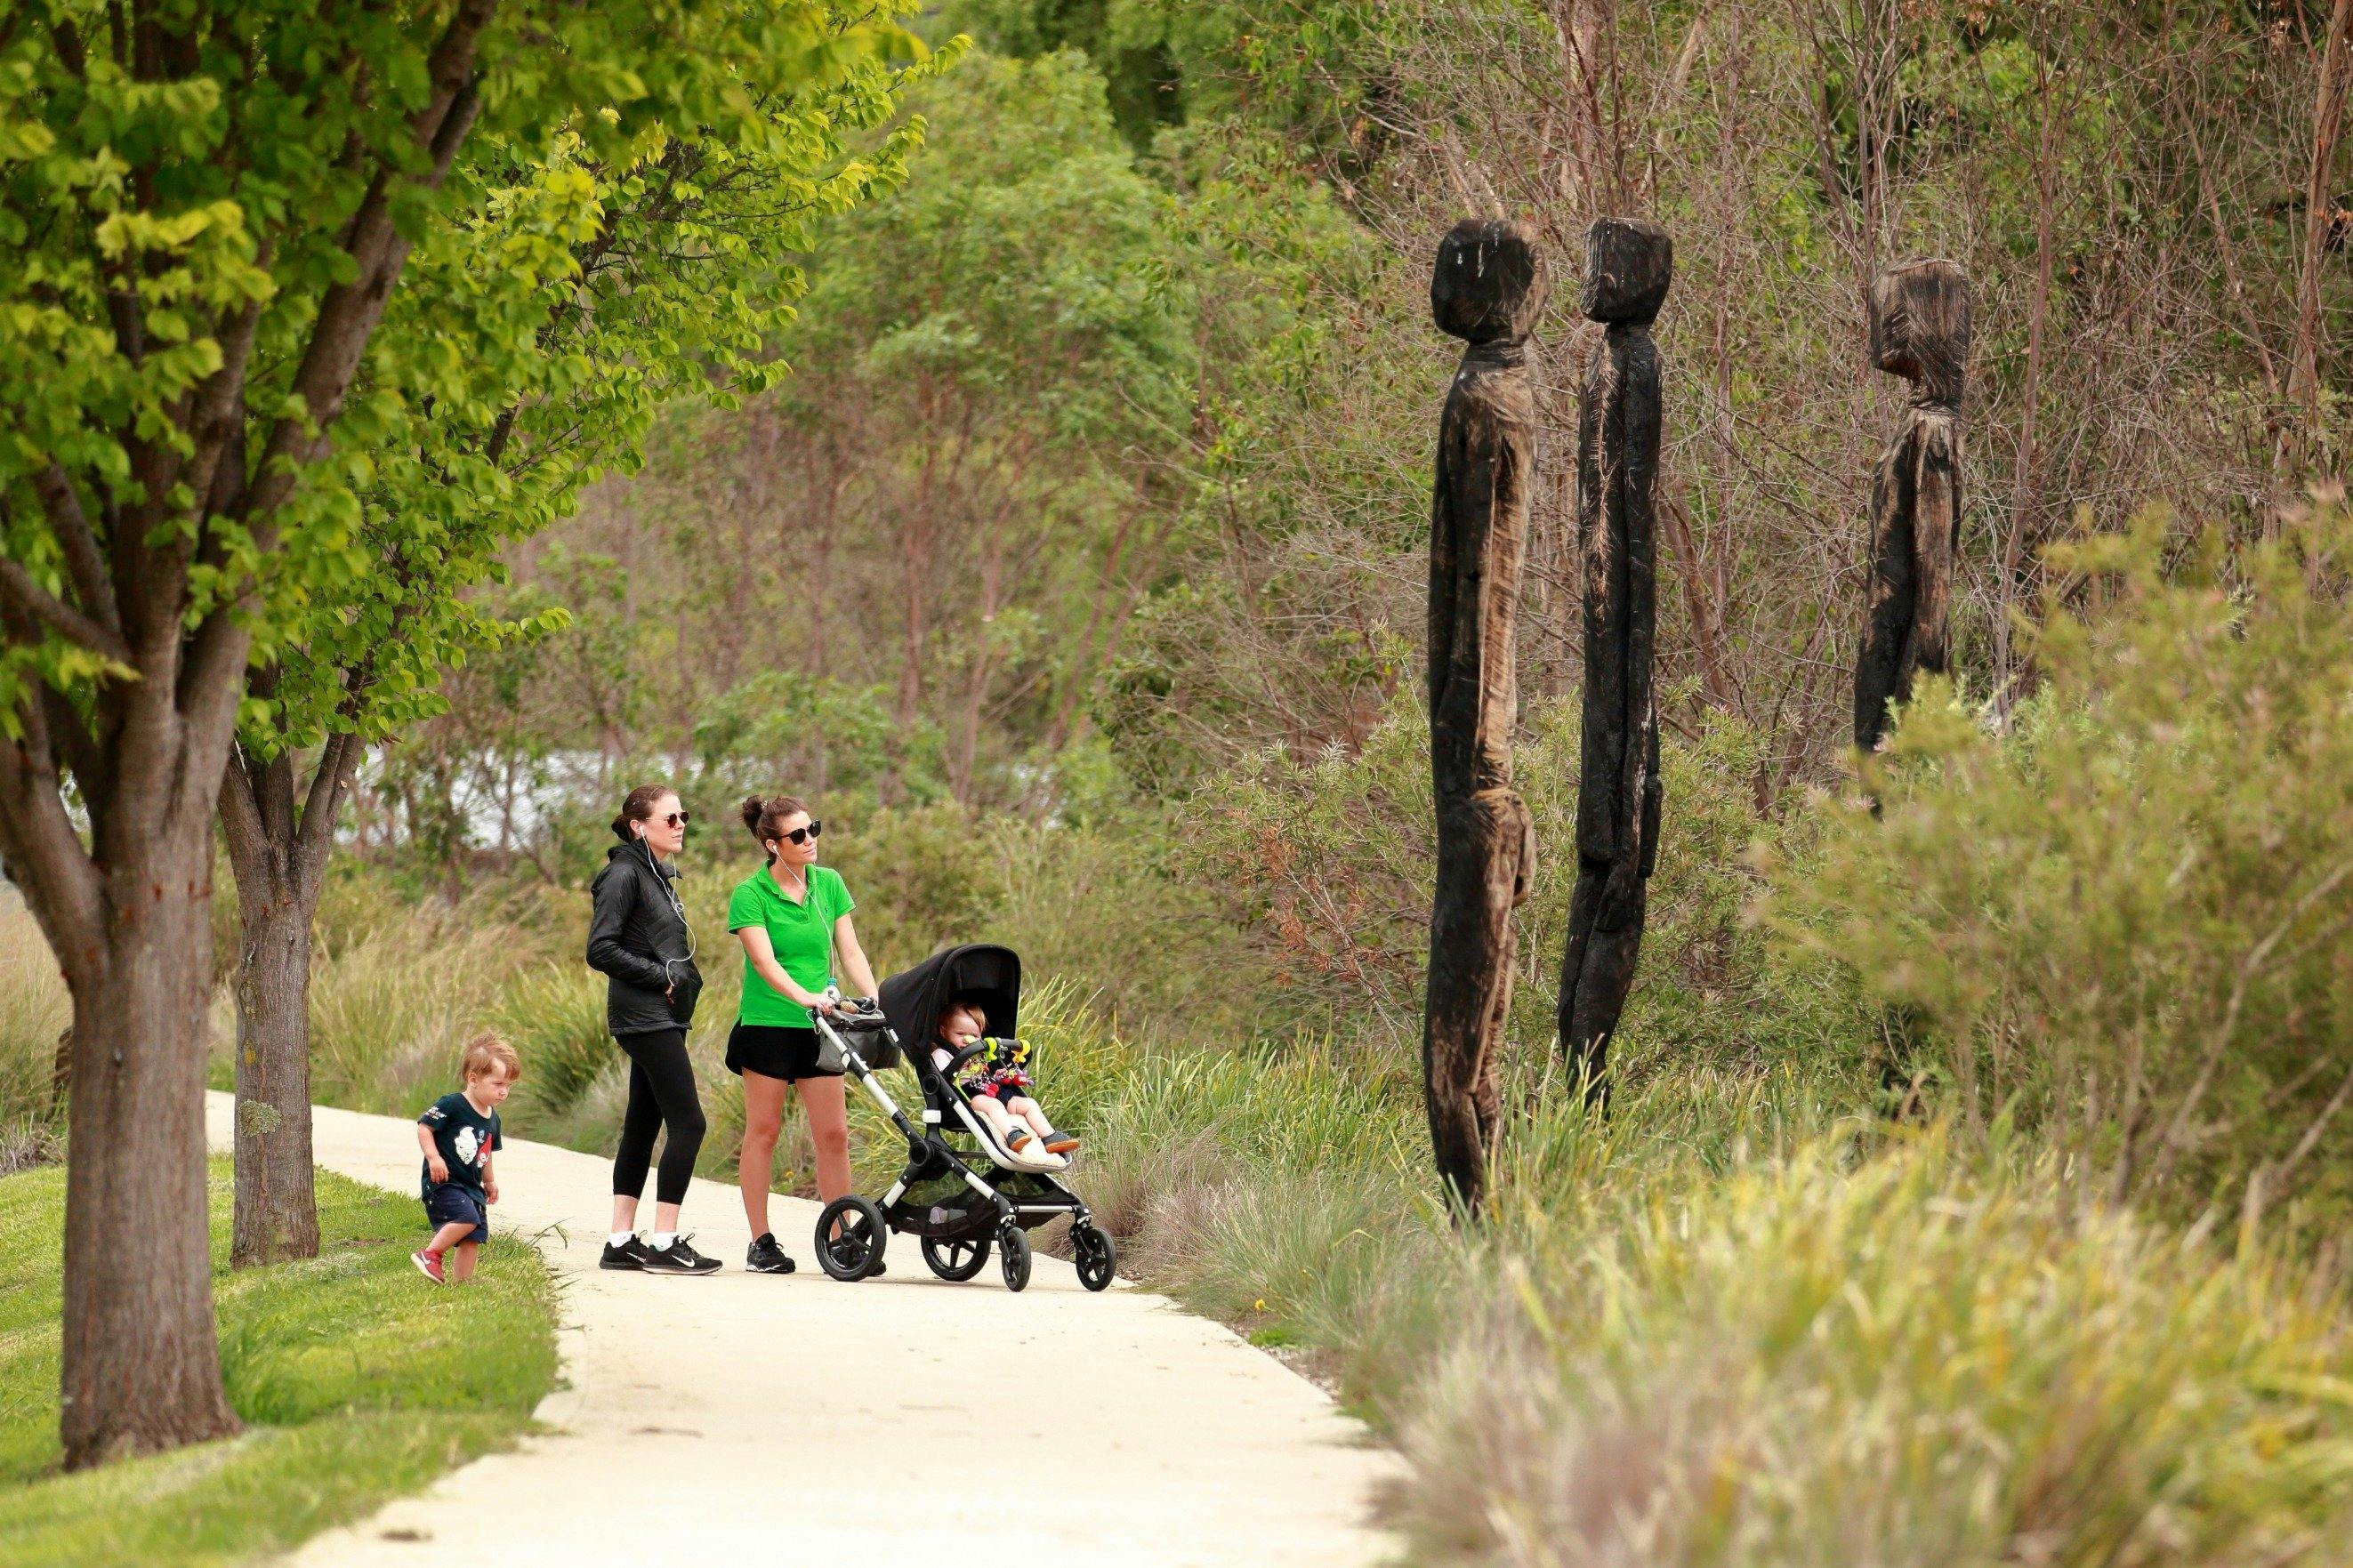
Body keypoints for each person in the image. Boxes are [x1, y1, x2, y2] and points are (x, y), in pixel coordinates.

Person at [727, 794, 882, 1275]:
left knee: (833, 1135)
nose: (810, 840)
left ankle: (843, 1238)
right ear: (773, 845)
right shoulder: (750, 893)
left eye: (812, 828)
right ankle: (761, 1242)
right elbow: (764, 962)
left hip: (824, 1030)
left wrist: (876, 1001)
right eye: (798, 835)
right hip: (769, 1024)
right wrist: (805, 996)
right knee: (764, 1132)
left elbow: (850, 951)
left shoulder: (829, 883)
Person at [586, 783, 720, 1275]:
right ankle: (664, 1243)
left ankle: (620, 1241)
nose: (681, 824)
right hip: (644, 1016)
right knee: (690, 1123)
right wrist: (661, 976)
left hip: (660, 1016)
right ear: (639, 826)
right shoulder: (622, 875)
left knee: (643, 1123)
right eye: (671, 818)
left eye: (684, 816)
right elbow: (600, 949)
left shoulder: (656, 874)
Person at [412, 1033, 518, 1285]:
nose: (503, 1092)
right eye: (498, 1084)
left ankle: (463, 1285)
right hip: (445, 1182)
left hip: (472, 1187)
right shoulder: (452, 1104)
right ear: (473, 1079)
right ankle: (431, 1254)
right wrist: (433, 1157)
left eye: (509, 1087)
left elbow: (487, 1151)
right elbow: (424, 1127)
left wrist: (489, 1181)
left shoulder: (493, 1117)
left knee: (474, 1236)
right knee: (467, 1219)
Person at [932, 997, 1079, 1169]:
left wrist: (998, 1076)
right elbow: (944, 1076)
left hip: (991, 1088)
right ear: (943, 1032)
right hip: (968, 1096)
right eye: (961, 1034)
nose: (968, 1040)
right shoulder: (942, 1053)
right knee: (994, 1106)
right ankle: (1012, 1135)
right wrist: (961, 1062)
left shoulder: (980, 1054)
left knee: (1027, 1104)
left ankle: (1049, 1137)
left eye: (975, 1035)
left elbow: (985, 1074)